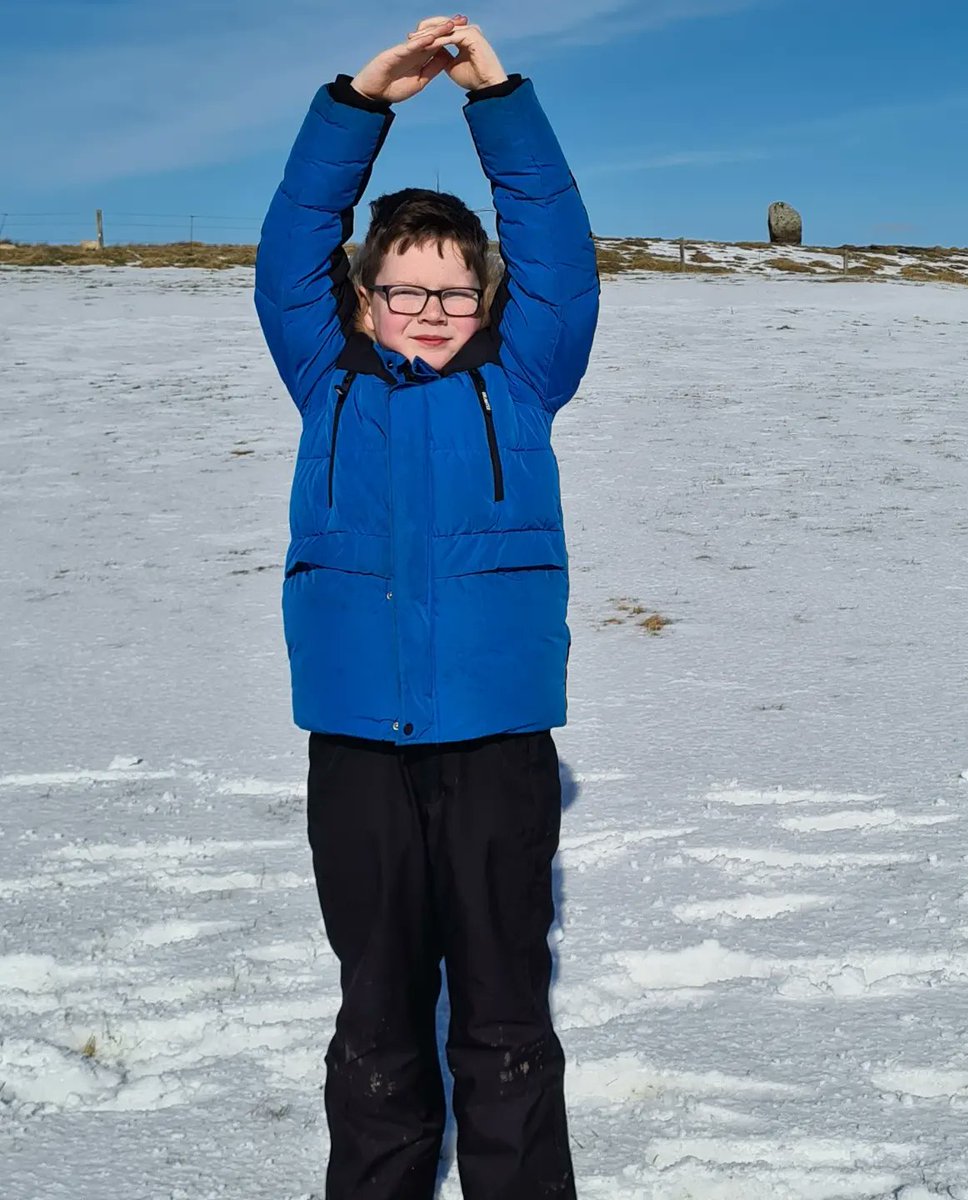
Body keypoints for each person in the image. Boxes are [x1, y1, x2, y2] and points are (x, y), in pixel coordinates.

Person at [254, 14, 599, 1200]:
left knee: (505, 1021)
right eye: (404, 288)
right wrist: (362, 100)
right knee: (378, 1024)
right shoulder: (325, 377)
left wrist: (495, 99)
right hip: (356, 749)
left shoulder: (528, 376)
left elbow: (555, 246)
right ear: (362, 300)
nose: (431, 309)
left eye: (455, 290)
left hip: (499, 748)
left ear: (486, 300)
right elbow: (295, 237)